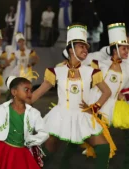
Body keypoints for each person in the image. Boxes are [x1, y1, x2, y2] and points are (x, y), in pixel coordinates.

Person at [32, 23, 116, 169]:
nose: (86, 49)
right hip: (60, 115)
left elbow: (107, 92)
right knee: (48, 152)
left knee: (103, 148)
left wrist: (94, 107)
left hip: (82, 116)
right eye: (81, 46)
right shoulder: (56, 71)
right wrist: (19, 104)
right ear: (71, 49)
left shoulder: (91, 71)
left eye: (86, 47)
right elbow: (38, 93)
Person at [0, 76, 48, 169]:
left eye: (31, 90)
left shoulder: (34, 113)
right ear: (14, 92)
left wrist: (30, 140)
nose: (30, 93)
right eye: (26, 90)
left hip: (22, 152)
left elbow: (44, 133)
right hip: (2, 151)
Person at [88, 23, 129, 169]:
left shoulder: (126, 67)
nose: (127, 51)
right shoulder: (101, 64)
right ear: (115, 49)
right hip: (95, 107)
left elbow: (121, 88)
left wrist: (122, 96)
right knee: (98, 144)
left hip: (111, 109)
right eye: (124, 48)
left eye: (128, 48)